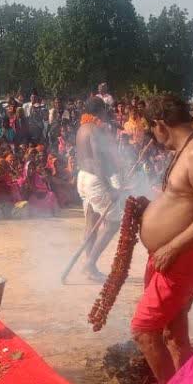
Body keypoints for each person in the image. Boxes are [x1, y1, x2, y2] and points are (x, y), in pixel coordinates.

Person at [133, 94, 193, 384]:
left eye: (152, 130)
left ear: (160, 124)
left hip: (178, 257)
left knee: (144, 330)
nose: (154, 138)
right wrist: (148, 209)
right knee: (173, 334)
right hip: (167, 255)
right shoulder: (184, 151)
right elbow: (182, 202)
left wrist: (173, 246)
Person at [74, 97, 121, 281]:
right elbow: (98, 161)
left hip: (83, 177)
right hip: (94, 179)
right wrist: (110, 188)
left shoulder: (81, 129)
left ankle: (89, 267)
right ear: (100, 111)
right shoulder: (94, 130)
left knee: (91, 223)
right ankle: (90, 263)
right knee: (113, 223)